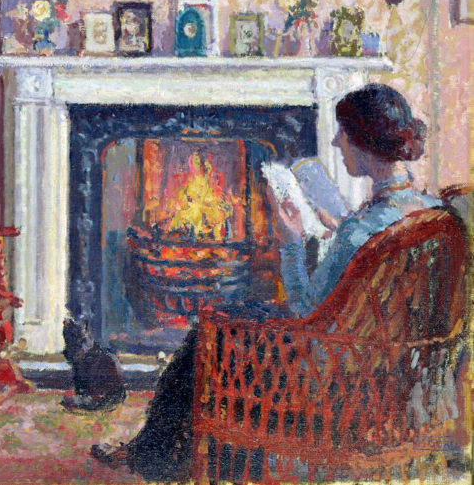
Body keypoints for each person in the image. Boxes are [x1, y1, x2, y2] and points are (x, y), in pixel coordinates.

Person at [90, 83, 442, 482]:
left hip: (329, 364)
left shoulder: (360, 230)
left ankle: (155, 457)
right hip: (387, 366)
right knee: (241, 313)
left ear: (363, 144)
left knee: (209, 330)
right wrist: (339, 227)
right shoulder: (432, 213)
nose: (335, 142)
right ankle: (171, 453)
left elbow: (304, 309)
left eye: (342, 133)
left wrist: (290, 241)